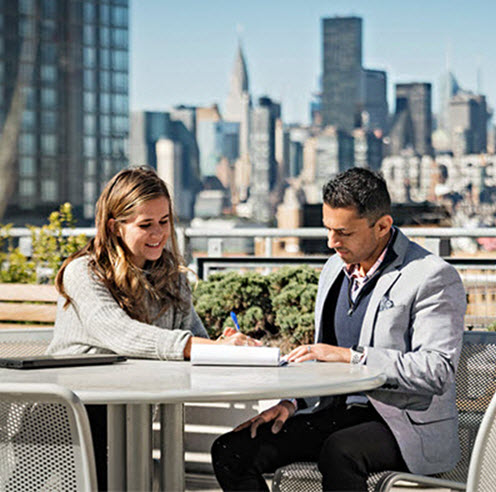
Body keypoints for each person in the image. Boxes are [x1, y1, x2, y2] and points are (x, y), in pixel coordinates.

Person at [211, 168, 466, 491]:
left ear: (383, 226)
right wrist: (291, 403)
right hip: (335, 415)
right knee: (232, 449)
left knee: (339, 451)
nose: (332, 242)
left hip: (403, 426)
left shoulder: (431, 277)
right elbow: (322, 358)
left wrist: (351, 357)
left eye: (344, 232)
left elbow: (437, 370)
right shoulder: (334, 269)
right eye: (328, 230)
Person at [47, 166, 258, 489]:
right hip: (71, 423)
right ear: (115, 227)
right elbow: (122, 334)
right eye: (146, 225)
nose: (159, 234)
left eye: (164, 221)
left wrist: (223, 343)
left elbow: (194, 337)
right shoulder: (84, 273)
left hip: (133, 422)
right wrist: (199, 347)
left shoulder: (172, 278)